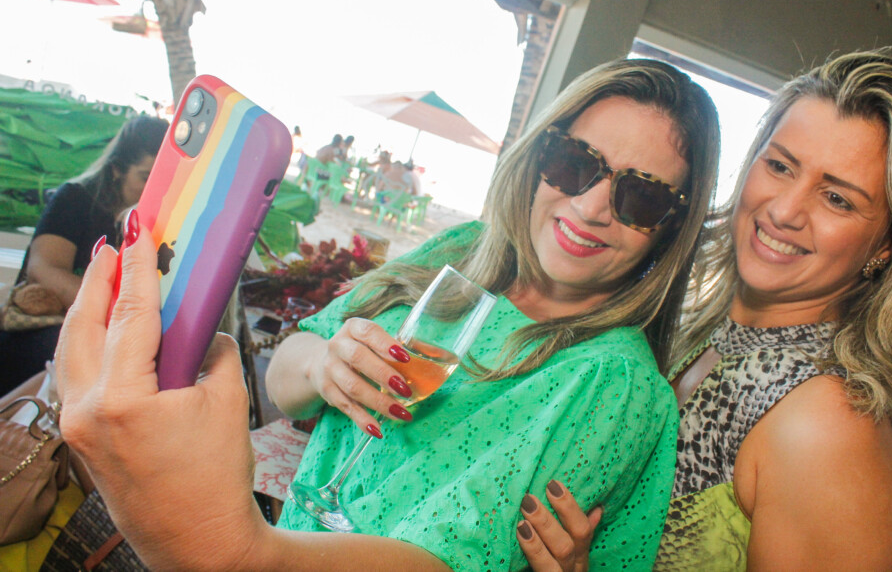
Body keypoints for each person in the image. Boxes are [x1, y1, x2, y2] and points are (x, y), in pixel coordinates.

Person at [54, 58, 722, 570]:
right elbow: (285, 376)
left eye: (641, 197)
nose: (591, 207)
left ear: (672, 227)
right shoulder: (464, 250)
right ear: (540, 155)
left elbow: (450, 560)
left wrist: (234, 550)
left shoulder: (616, 382)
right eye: (576, 162)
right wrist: (325, 365)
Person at [514, 50, 892, 571]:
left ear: (889, 244)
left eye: (838, 199)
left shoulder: (830, 423)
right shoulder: (696, 331)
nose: (784, 210)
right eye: (780, 166)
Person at [0, 115, 167, 394]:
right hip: (42, 333)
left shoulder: (154, 222)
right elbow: (43, 270)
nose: (154, 187)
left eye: (163, 179)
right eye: (145, 177)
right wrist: (112, 312)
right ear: (116, 169)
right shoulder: (74, 199)